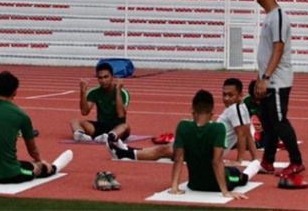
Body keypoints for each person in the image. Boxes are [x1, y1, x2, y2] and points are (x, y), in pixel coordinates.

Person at [108, 78, 258, 164]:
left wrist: (239, 160)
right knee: (169, 148)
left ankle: (124, 155)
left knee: (166, 150)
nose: (226, 98)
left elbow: (242, 135)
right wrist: (255, 158)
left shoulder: (235, 109)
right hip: (208, 147)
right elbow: (247, 134)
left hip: (209, 152)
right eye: (224, 95)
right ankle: (129, 151)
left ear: (240, 94)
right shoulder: (241, 107)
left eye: (230, 95)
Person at [0, 71, 73, 183]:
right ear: (15, 91)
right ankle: (54, 168)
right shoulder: (20, 115)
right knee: (37, 168)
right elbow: (32, 149)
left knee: (23, 163)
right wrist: (39, 161)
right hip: (9, 174)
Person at [253, 0, 304, 177]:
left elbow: (278, 48)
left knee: (280, 121)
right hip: (268, 78)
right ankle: (268, 161)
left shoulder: (279, 16)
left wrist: (266, 77)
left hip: (276, 81)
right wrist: (260, 77)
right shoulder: (270, 17)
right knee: (269, 122)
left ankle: (297, 161)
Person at [169, 90, 251, 199]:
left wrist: (174, 187)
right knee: (239, 176)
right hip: (218, 184)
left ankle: (174, 186)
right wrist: (225, 192)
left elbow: (178, 158)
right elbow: (216, 162)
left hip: (194, 184)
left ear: (193, 110)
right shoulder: (218, 128)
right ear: (211, 113)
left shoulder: (182, 126)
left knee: (229, 170)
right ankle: (242, 175)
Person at [70, 62, 130, 144]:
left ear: (112, 77)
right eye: (100, 78)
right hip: (100, 126)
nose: (103, 80)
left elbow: (121, 114)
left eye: (106, 77)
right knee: (75, 121)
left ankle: (110, 136)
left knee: (126, 127)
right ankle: (80, 135)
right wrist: (83, 92)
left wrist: (118, 91)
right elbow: (84, 112)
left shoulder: (123, 92)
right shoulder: (94, 92)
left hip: (117, 126)